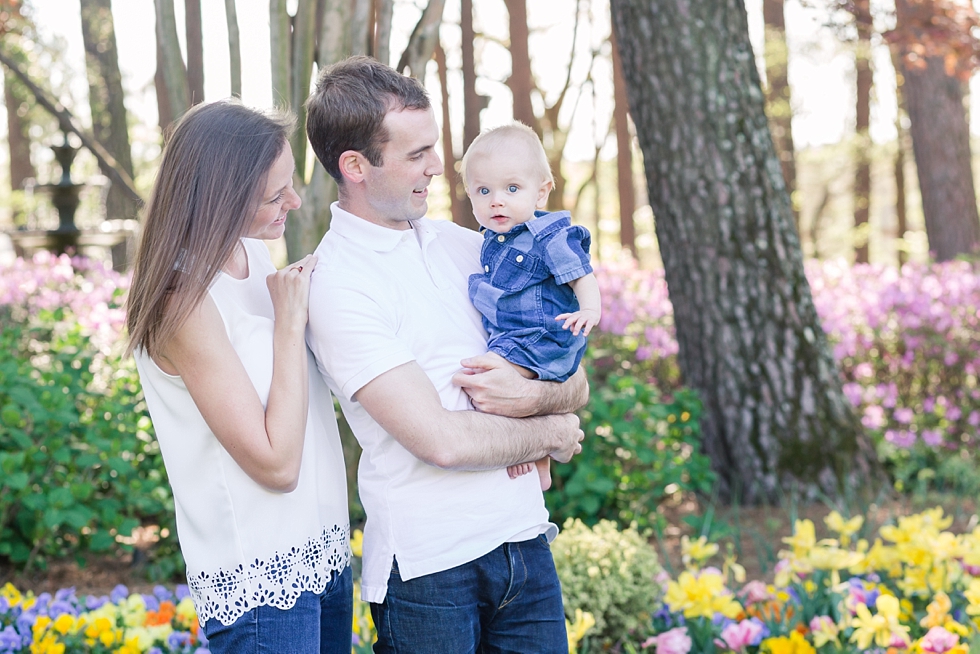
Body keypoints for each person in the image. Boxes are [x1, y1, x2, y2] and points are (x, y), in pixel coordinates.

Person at [304, 55, 587, 654]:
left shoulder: (472, 247)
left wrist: (539, 398)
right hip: (430, 570)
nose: (438, 168)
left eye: (434, 149)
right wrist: (553, 429)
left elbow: (571, 372)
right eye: (416, 155)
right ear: (355, 165)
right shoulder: (336, 284)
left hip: (523, 542)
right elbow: (442, 442)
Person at [125, 100, 351, 654]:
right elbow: (276, 465)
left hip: (325, 552)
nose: (294, 203)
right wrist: (289, 322)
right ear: (221, 197)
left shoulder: (254, 255)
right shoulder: (183, 303)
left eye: (289, 185)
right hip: (262, 585)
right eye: (276, 195)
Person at [461, 123, 602, 490]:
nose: (497, 200)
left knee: (493, 376)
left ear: (541, 193)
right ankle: (539, 457)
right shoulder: (490, 240)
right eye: (483, 190)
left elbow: (581, 275)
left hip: (544, 337)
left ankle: (527, 448)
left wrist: (590, 311)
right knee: (504, 378)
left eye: (512, 188)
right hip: (517, 336)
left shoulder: (549, 236)